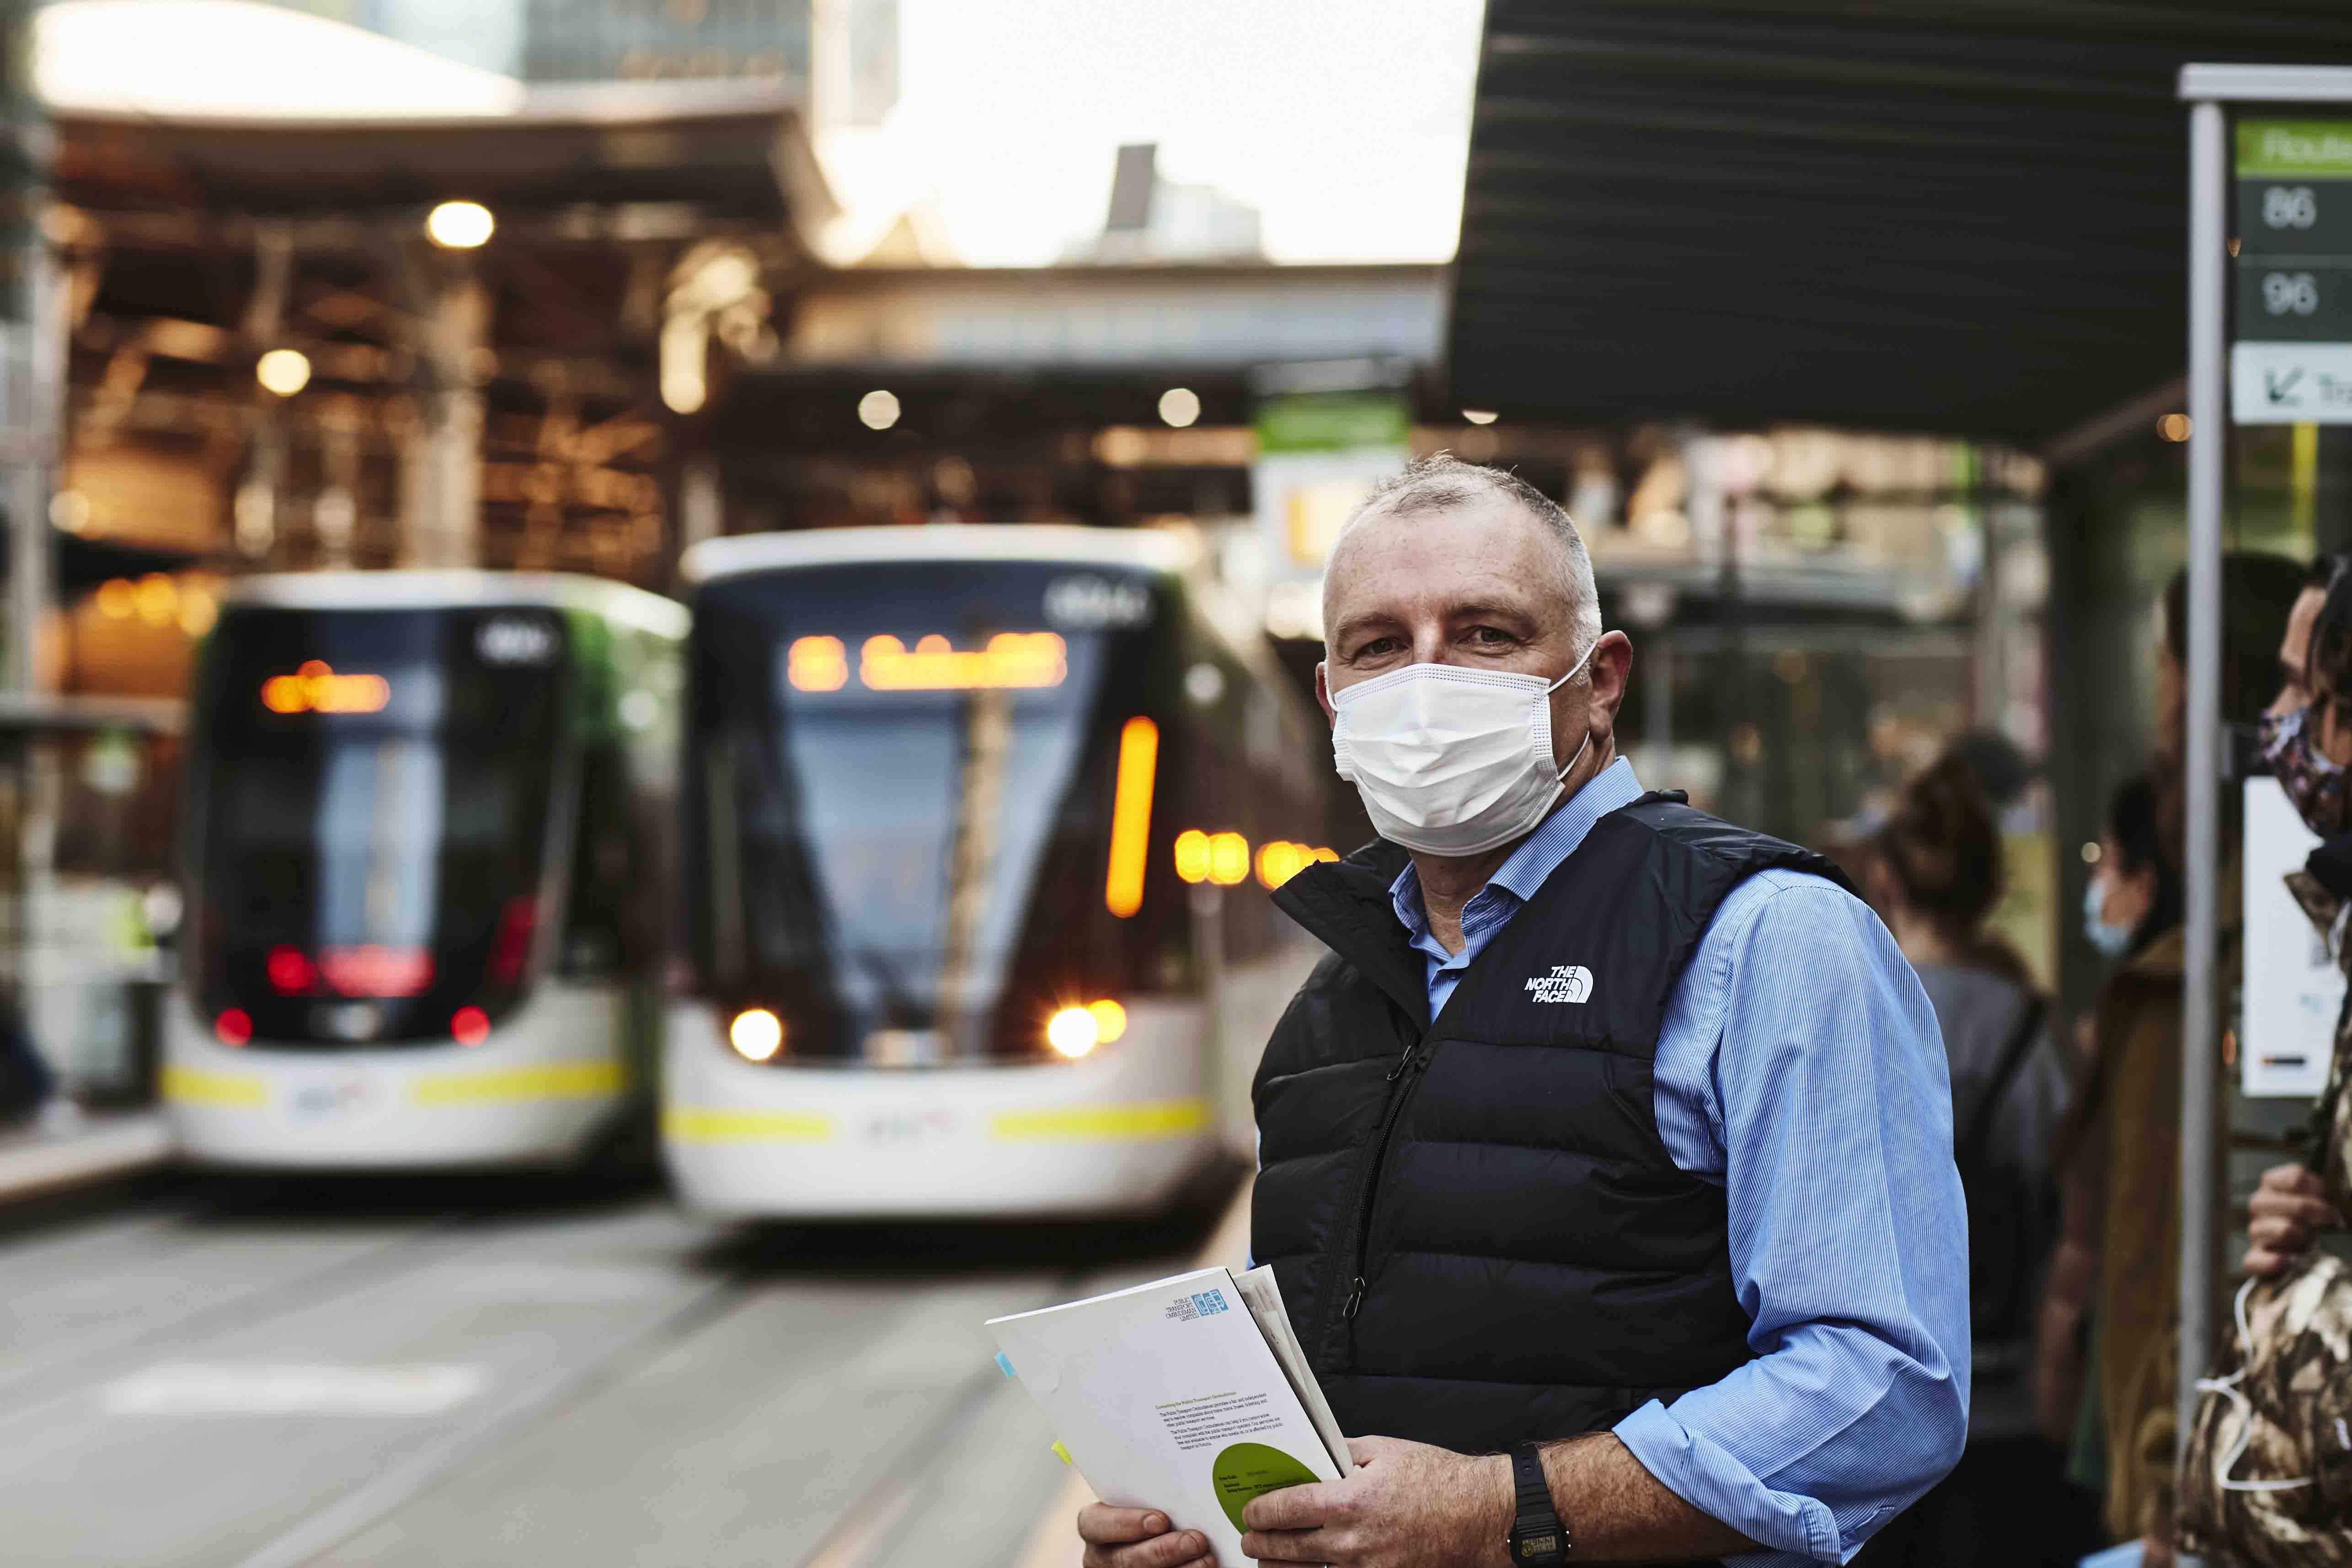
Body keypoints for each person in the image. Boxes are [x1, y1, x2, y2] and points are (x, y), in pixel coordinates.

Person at [1077, 455, 1968, 1568]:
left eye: (1486, 634)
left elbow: (1885, 1385)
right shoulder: (1332, 1000)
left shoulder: (1768, 941)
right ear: (1331, 700)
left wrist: (1504, 1509)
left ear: (1598, 679)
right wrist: (1209, 1530)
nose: (1425, 678)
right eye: (1378, 645)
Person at [2047, 553, 2308, 1564]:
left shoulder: (2257, 929)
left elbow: (2197, 1224)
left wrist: (2173, 1473)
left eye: (2171, 662)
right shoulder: (2205, 892)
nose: (2160, 693)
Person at [1866, 757, 2083, 1566]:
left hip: (1867, 1409)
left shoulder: (1850, 1009)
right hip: (2005, 1402)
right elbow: (2065, 1197)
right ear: (1994, 890)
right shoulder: (2029, 1031)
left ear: (1886, 876)